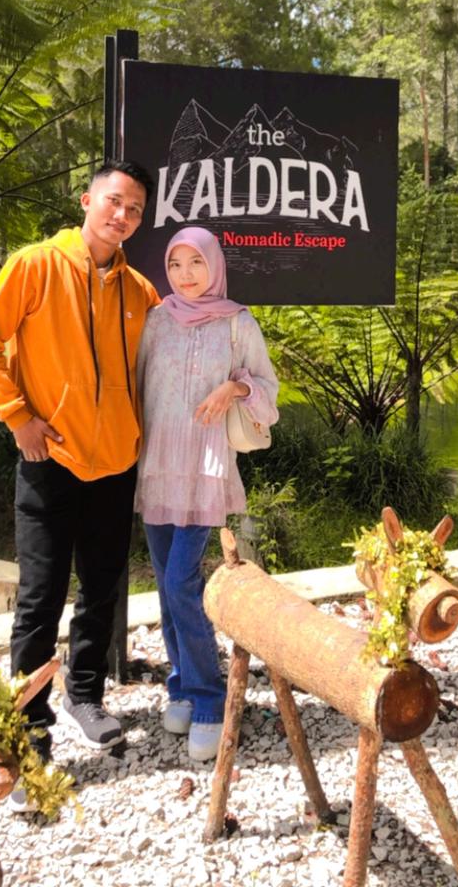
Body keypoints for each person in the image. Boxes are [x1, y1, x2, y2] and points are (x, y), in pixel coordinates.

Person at [0, 159, 159, 778]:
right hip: (48, 458)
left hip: (116, 463)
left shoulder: (140, 292)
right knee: (40, 599)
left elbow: (165, 362)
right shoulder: (36, 265)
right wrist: (17, 416)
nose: (122, 215)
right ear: (86, 200)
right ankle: (29, 733)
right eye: (114, 201)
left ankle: (85, 694)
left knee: (101, 589)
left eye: (134, 209)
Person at [135, 226, 279, 762]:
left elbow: (268, 391)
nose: (185, 275)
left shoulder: (238, 322)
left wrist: (235, 386)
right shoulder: (157, 320)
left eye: (196, 263)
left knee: (181, 581)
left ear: (214, 265)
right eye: (175, 265)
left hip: (205, 468)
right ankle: (179, 683)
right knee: (165, 586)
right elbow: (136, 387)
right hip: (156, 468)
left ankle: (208, 700)